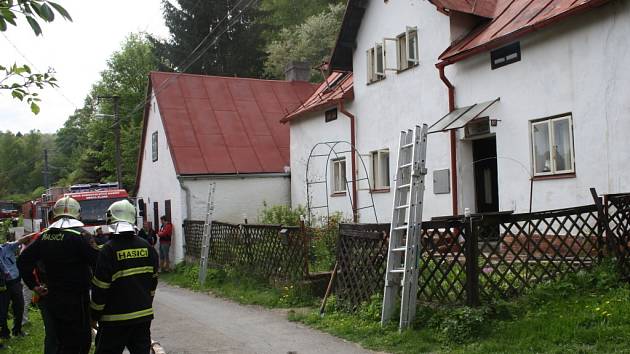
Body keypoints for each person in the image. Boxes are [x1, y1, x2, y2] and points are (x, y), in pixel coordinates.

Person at [18, 196, 99, 354]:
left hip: (53, 297)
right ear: (78, 214)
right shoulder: (80, 236)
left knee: (60, 339)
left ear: (54, 214)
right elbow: (99, 263)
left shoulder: (44, 236)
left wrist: (34, 286)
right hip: (77, 299)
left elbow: (23, 260)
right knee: (80, 341)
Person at [91, 200, 158, 354]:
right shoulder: (147, 247)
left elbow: (100, 288)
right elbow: (152, 283)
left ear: (110, 219)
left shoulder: (108, 250)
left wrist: (94, 315)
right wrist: (145, 303)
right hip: (142, 317)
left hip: (113, 321)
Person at [0, 232, 35, 339]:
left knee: (19, 306)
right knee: (2, 311)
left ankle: (17, 330)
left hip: (15, 282)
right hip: (2, 285)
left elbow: (21, 241)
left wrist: (36, 233)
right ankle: (5, 334)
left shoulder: (7, 247)